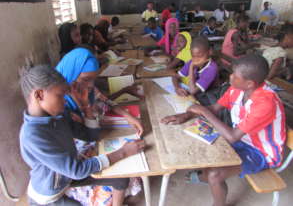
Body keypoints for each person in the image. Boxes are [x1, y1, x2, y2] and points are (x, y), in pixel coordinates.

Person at [161, 54, 286, 206]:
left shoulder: (266, 103)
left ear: (249, 84)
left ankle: (214, 194)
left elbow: (232, 136)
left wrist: (202, 111)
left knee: (215, 174)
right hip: (241, 139)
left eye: (235, 76)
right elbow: (214, 108)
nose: (230, 77)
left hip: (262, 152)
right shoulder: (237, 89)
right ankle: (204, 175)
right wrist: (187, 115)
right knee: (201, 149)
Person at [19, 64, 145, 206]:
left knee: (121, 179)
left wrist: (86, 107)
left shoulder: (59, 116)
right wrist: (123, 152)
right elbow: (76, 170)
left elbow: (91, 136)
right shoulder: (33, 136)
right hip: (50, 194)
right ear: (39, 95)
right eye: (60, 95)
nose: (65, 100)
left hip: (67, 174)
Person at [55, 47, 144, 135]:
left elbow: (106, 101)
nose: (91, 85)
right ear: (71, 74)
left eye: (93, 79)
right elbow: (87, 135)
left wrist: (127, 115)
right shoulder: (59, 105)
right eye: (86, 79)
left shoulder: (85, 88)